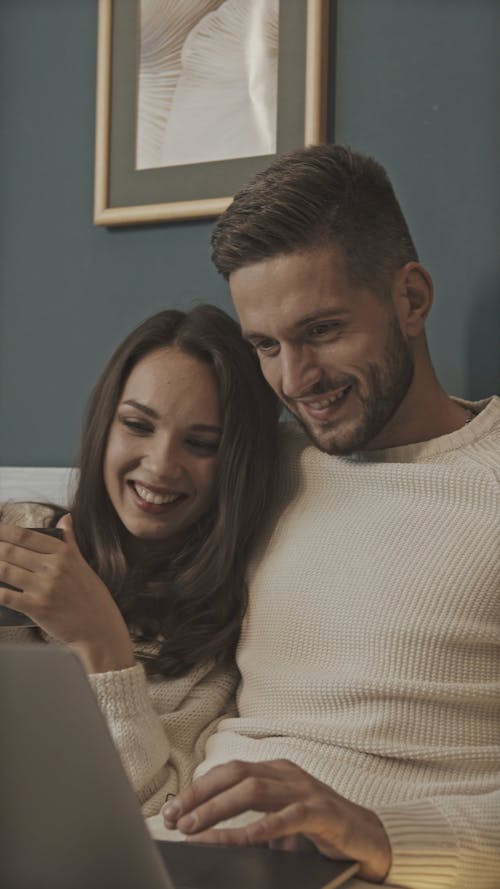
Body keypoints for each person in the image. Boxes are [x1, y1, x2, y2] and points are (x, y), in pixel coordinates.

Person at [158, 145, 500, 888]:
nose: (294, 379)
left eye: (321, 331)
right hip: (191, 853)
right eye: (265, 345)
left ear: (411, 299)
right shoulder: (262, 464)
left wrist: (378, 833)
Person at [0, 304, 280, 815]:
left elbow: (150, 813)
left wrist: (102, 644)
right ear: (104, 425)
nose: (160, 465)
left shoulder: (215, 657)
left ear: (236, 465)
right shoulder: (17, 532)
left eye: (200, 443)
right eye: (137, 424)